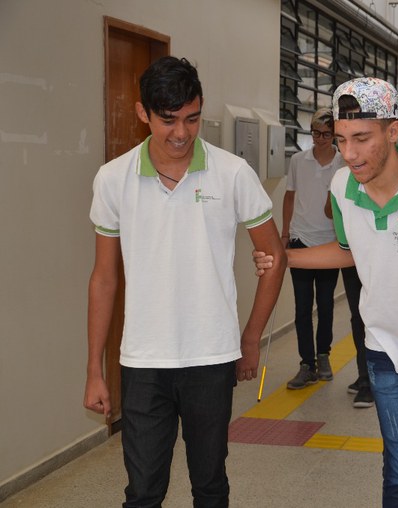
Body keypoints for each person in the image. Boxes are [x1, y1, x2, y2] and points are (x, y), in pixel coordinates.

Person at [256, 77, 398, 508]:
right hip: (385, 349)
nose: (349, 153)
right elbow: (349, 251)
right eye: (341, 139)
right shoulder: (343, 187)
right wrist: (287, 258)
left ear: (393, 132)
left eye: (361, 138)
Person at [84, 56, 285, 506]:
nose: (181, 133)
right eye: (168, 120)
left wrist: (250, 338)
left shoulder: (232, 173)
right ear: (143, 113)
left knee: (210, 485)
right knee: (142, 492)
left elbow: (275, 257)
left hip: (211, 356)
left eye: (192, 119)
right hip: (143, 361)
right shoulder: (113, 179)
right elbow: (104, 278)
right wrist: (94, 369)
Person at [282, 108, 346, 389]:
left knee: (326, 304)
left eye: (326, 134)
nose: (319, 139)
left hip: (330, 244)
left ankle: (323, 356)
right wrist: (285, 233)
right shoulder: (298, 160)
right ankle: (306, 364)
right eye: (315, 133)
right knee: (302, 307)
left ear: (334, 135)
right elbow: (289, 197)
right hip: (300, 240)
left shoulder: (343, 162)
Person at [323, 192, 374, 407]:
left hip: (376, 257)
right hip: (350, 255)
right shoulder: (342, 182)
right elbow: (329, 212)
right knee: (357, 316)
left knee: (372, 316)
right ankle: (365, 375)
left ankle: (372, 380)